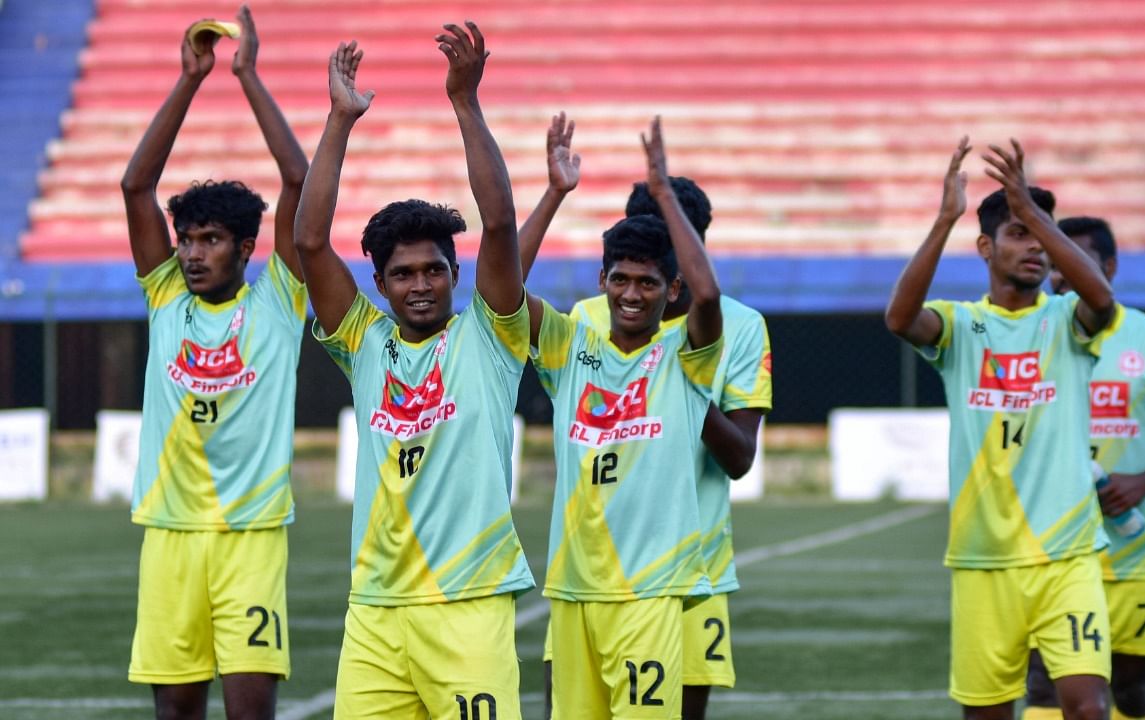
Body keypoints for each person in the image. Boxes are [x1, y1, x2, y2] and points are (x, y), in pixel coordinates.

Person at [293, 24, 535, 719]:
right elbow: (309, 241)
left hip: (470, 608)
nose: (421, 283)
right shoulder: (363, 341)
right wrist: (339, 120)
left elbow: (499, 222)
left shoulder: (491, 335)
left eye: (434, 269)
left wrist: (465, 102)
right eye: (403, 274)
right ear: (380, 284)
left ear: (457, 274)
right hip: (375, 612)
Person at [518, 113, 772, 720]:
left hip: (681, 564)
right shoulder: (577, 327)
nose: (632, 292)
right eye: (621, 276)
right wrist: (554, 192)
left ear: (679, 277)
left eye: (652, 275)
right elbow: (498, 291)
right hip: (580, 574)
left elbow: (739, 456)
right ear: (605, 276)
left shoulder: (720, 332)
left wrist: (679, 393)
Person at [884, 137, 1116, 720]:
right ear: (985, 247)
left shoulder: (1066, 320)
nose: (1034, 246)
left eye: (1040, 234)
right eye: (1018, 233)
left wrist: (1032, 209)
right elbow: (900, 319)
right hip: (983, 557)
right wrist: (944, 219)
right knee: (988, 713)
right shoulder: (961, 327)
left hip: (1068, 554)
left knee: (1088, 708)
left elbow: (1103, 299)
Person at [120, 5, 307, 718]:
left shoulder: (278, 303)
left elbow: (297, 179)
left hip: (251, 538)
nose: (194, 253)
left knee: (250, 709)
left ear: (246, 248)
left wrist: (248, 77)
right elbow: (137, 187)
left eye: (212, 240)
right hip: (169, 533)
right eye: (188, 239)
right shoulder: (166, 294)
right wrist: (189, 80)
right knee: (175, 711)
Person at [1022, 217, 1145, 720]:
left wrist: (1142, 482)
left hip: (1134, 556)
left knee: (1131, 692)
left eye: (1074, 260)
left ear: (1109, 268)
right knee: (1044, 686)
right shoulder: (1025, 338)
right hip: (1053, 550)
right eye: (1053, 261)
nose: (1060, 274)